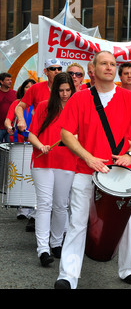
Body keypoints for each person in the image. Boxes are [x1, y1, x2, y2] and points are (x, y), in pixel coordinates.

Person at [54, 51, 131, 289]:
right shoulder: (79, 98)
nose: (109, 67)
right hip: (85, 170)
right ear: (93, 69)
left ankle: (128, 268)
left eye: (112, 64)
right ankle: (68, 275)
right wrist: (88, 158)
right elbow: (66, 134)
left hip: (120, 173)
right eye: (104, 63)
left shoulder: (129, 98)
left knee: (128, 223)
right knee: (78, 222)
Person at [27, 72, 77, 267]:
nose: (65, 94)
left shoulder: (77, 109)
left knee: (60, 205)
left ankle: (56, 243)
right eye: (61, 90)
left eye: (68, 90)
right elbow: (32, 134)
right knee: (45, 204)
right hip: (43, 162)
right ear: (55, 90)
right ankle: (43, 249)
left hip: (67, 163)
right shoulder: (43, 107)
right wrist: (40, 146)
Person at [4, 78, 36, 222]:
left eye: (32, 87)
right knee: (20, 175)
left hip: (35, 144)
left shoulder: (39, 104)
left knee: (32, 175)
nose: (28, 89)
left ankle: (32, 207)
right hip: (19, 143)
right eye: (26, 87)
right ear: (22, 89)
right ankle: (21, 207)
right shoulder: (16, 104)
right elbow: (8, 119)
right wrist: (9, 127)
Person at [16, 59, 62, 132]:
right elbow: (20, 106)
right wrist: (21, 120)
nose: (56, 71)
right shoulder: (36, 88)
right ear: (46, 72)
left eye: (59, 69)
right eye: (52, 69)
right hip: (39, 133)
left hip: (60, 135)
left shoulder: (67, 89)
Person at [0, 73, 17, 142]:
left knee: (9, 150)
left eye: (10, 80)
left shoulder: (15, 94)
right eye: (7, 80)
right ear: (1, 82)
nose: (10, 81)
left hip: (11, 127)